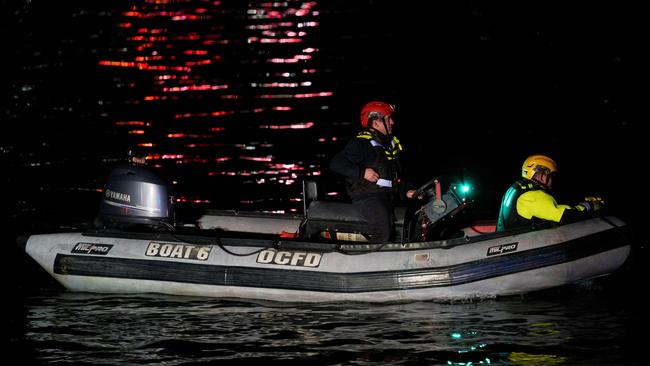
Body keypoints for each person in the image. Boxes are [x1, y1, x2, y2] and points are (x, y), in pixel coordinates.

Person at [329, 101, 416, 243]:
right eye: (388, 119)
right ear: (376, 123)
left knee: (409, 219)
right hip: (367, 197)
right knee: (383, 230)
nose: (392, 122)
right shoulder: (361, 143)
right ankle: (370, 260)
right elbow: (336, 163)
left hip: (384, 196)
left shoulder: (388, 144)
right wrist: (362, 172)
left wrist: (406, 191)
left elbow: (393, 176)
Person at [496, 154, 604, 232]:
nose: (553, 180)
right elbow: (566, 216)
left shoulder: (515, 188)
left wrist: (576, 205)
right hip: (520, 246)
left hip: (509, 238)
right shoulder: (534, 196)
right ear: (543, 175)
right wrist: (588, 206)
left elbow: (551, 208)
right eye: (552, 176)